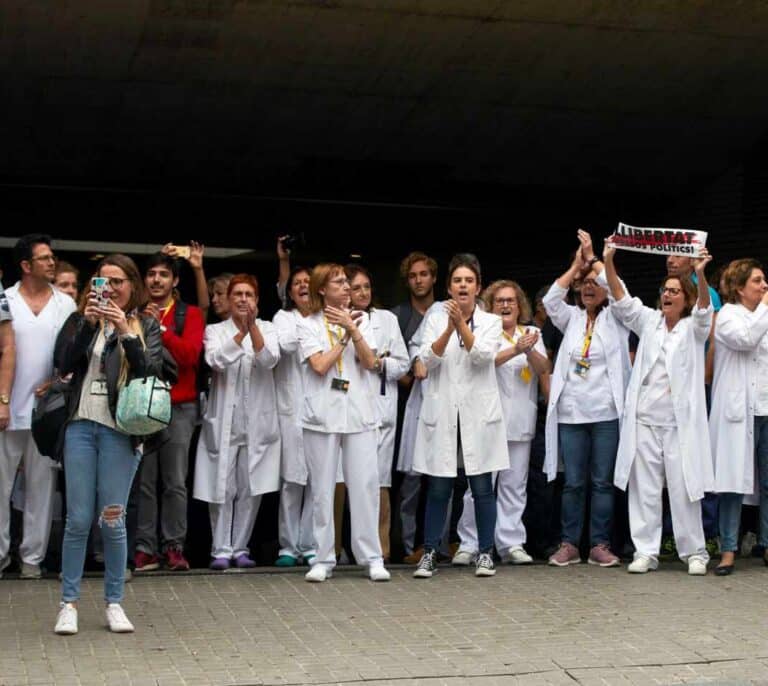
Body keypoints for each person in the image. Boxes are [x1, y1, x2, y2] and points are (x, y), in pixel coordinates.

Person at [52, 253, 167, 635]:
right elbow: (64, 362)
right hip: (81, 426)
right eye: (103, 281)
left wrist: (126, 332)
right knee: (78, 519)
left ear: (131, 285)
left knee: (113, 519)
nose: (110, 288)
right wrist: (87, 324)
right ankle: (68, 603)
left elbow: (152, 370)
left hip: (120, 429)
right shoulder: (79, 319)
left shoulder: (145, 323)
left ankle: (114, 601)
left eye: (118, 281)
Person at [603, 240, 714, 575]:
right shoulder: (649, 321)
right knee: (645, 490)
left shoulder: (693, 328)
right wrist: (608, 261)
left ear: (686, 298)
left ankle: (695, 551)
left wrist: (699, 276)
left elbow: (706, 311)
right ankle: (646, 551)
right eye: (665, 290)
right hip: (646, 421)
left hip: (679, 426)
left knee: (683, 489)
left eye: (675, 291)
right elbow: (621, 299)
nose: (668, 295)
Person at [411, 253, 508, 579]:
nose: (463, 285)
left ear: (478, 287)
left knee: (482, 487)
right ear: (449, 288)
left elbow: (482, 356)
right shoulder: (436, 318)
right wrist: (449, 328)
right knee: (439, 487)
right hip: (444, 412)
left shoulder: (492, 321)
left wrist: (462, 326)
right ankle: (430, 552)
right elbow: (427, 360)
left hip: (479, 416)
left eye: (468, 280)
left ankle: (485, 552)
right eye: (457, 281)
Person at [297, 263, 389, 582]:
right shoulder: (308, 324)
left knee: (364, 485)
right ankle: (323, 558)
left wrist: (352, 328)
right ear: (322, 289)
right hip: (321, 415)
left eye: (346, 282)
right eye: (338, 283)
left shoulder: (364, 320)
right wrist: (344, 339)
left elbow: (371, 362)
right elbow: (320, 365)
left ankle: (372, 556)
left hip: (360, 412)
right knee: (322, 488)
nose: (346, 287)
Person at [543, 230, 630, 567]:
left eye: (594, 283)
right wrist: (576, 267)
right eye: (583, 284)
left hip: (606, 413)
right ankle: (569, 544)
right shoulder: (571, 318)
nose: (589, 287)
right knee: (574, 484)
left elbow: (620, 292)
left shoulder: (618, 317)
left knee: (602, 482)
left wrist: (595, 262)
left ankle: (600, 544)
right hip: (572, 414)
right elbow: (551, 300)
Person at [452, 279, 550, 565]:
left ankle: (510, 543)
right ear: (489, 307)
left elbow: (544, 368)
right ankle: (469, 544)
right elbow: (483, 361)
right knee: (479, 487)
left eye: (511, 300)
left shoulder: (532, 332)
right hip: (487, 421)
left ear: (520, 307)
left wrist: (528, 349)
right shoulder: (482, 331)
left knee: (514, 485)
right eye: (499, 301)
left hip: (520, 421)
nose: (506, 305)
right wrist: (516, 350)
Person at [0, 235, 76, 581]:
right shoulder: (5, 299)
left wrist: (60, 381)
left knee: (41, 487)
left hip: (49, 411)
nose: (51, 262)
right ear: (26, 266)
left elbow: (75, 356)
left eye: (52, 257)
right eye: (44, 258)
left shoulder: (65, 304)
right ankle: (1, 556)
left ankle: (32, 559)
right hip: (7, 408)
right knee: (0, 487)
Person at [193, 274, 281, 570]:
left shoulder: (268, 328)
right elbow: (216, 360)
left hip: (257, 424)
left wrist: (252, 327)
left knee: (249, 487)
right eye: (238, 294)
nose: (243, 299)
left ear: (257, 301)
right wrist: (240, 333)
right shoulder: (215, 330)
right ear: (229, 301)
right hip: (224, 423)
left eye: (249, 294)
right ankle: (220, 549)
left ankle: (240, 547)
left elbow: (269, 360)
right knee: (222, 487)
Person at [134, 253, 204, 572]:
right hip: (142, 404)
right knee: (145, 480)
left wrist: (159, 328)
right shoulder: (132, 313)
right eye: (151, 274)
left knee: (175, 480)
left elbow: (190, 356)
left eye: (164, 274)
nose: (157, 280)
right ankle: (145, 548)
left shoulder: (188, 314)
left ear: (175, 281)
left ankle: (174, 546)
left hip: (180, 404)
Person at [347, 264, 409, 562]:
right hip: (349, 407)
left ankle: (381, 549)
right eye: (355, 287)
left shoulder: (387, 319)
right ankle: (348, 547)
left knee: (380, 480)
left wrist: (381, 362)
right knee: (350, 481)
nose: (362, 293)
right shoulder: (338, 319)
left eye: (366, 287)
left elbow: (403, 363)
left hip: (382, 407)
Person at [710, 259, 768, 575]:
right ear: (739, 287)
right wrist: (765, 309)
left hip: (766, 406)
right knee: (732, 484)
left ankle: (767, 544)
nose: (764, 286)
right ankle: (728, 549)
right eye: (757, 281)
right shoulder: (728, 316)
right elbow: (745, 340)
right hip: (739, 412)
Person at [391, 252, 437, 563]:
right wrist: (417, 382)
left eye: (424, 274)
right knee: (410, 481)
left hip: (442, 406)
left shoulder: (446, 312)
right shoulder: (398, 316)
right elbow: (393, 361)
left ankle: (438, 544)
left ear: (434, 278)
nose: (419, 280)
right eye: (413, 275)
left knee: (442, 478)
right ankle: (406, 548)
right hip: (408, 405)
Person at [273, 266, 316, 567]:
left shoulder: (325, 317)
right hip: (289, 410)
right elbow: (286, 344)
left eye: (307, 283)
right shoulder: (283, 318)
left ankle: (309, 543)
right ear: (290, 292)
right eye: (297, 284)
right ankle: (288, 546)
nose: (302, 287)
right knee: (291, 480)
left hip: (319, 409)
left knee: (317, 479)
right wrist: (308, 336)